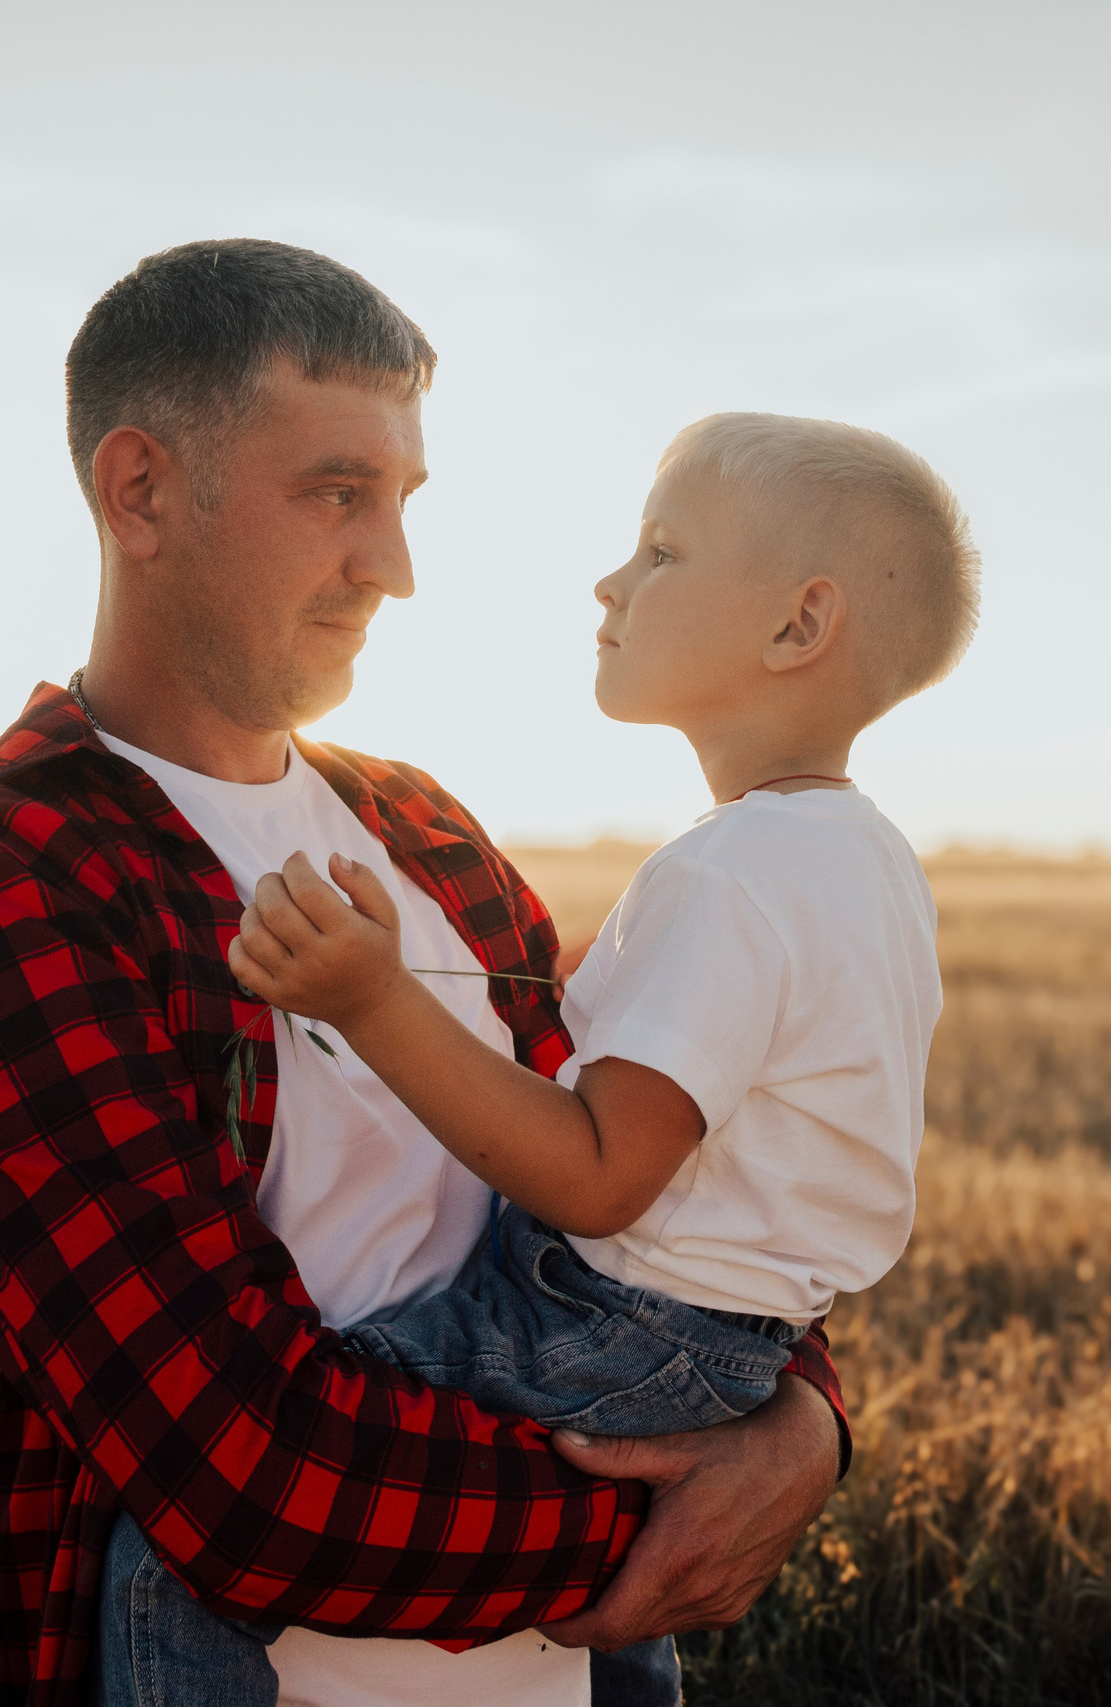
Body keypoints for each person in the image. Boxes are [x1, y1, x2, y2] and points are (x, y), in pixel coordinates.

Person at [0, 241, 850, 1707]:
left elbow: (660, 1190)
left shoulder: (424, 829)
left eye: (402, 500)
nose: (395, 567)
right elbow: (239, 1475)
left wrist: (805, 1422)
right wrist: (680, 1507)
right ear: (141, 492)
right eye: (336, 494)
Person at [111, 412, 972, 1703]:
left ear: (800, 626)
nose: (609, 583)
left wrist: (372, 1000)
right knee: (623, 1559)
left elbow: (600, 1176)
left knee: (169, 1559)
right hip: (737, 1344)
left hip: (613, 1319)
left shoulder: (729, 877)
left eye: (662, 551)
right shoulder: (871, 863)